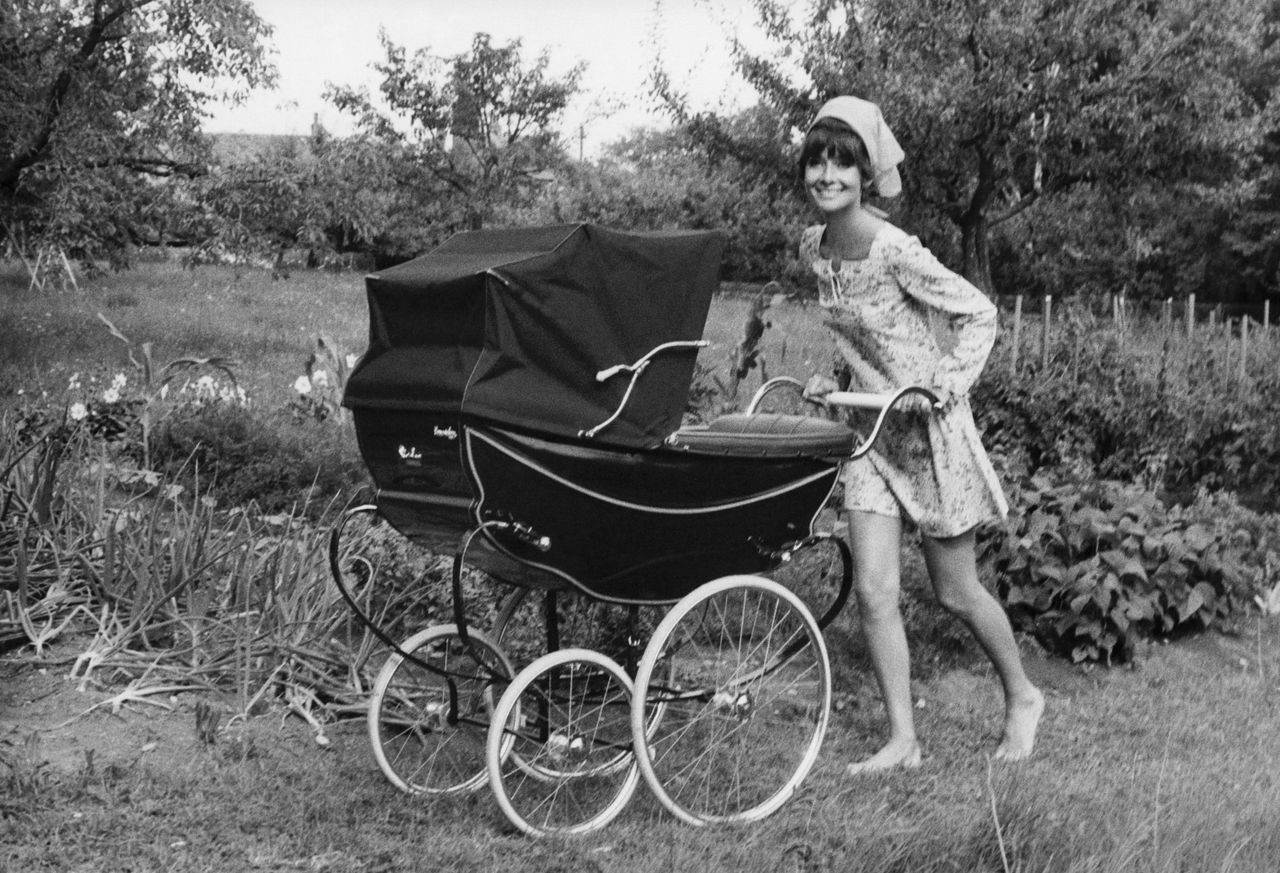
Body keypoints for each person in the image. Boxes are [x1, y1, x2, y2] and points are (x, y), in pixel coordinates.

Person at [796, 95, 1044, 774]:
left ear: (865, 174)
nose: (827, 176)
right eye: (816, 161)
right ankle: (904, 739)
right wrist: (831, 381)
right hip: (870, 437)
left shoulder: (894, 247)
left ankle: (1022, 695)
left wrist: (950, 382)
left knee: (954, 591)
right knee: (876, 591)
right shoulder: (813, 247)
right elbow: (855, 337)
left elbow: (979, 313)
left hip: (929, 436)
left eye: (842, 164)